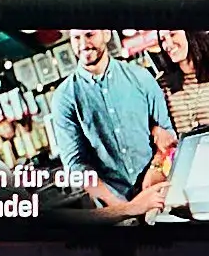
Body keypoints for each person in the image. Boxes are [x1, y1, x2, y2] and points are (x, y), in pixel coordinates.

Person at [51, 31, 184, 220]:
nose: (83, 44)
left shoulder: (141, 78)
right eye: (76, 38)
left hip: (158, 194)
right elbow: (75, 164)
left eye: (89, 35)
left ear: (106, 34)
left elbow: (167, 136)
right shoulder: (64, 98)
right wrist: (124, 208)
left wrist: (155, 169)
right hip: (114, 210)